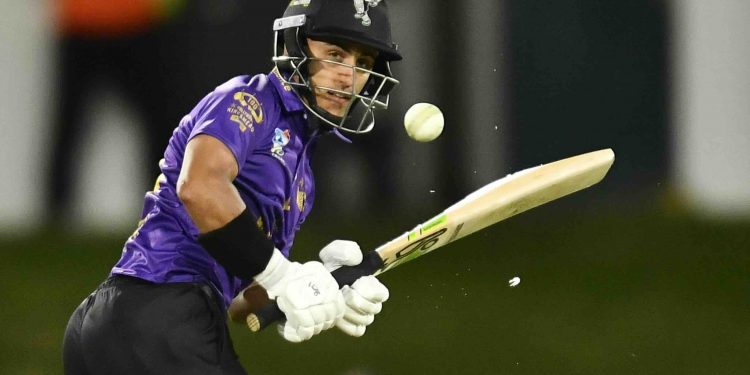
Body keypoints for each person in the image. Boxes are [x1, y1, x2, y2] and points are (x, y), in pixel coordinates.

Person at [62, 0, 402, 373]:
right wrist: (283, 275)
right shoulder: (249, 99)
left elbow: (242, 299)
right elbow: (200, 187)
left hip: (132, 322)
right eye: (336, 54)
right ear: (294, 46)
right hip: (160, 314)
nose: (348, 76)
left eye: (364, 64)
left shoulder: (302, 178)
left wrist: (317, 288)